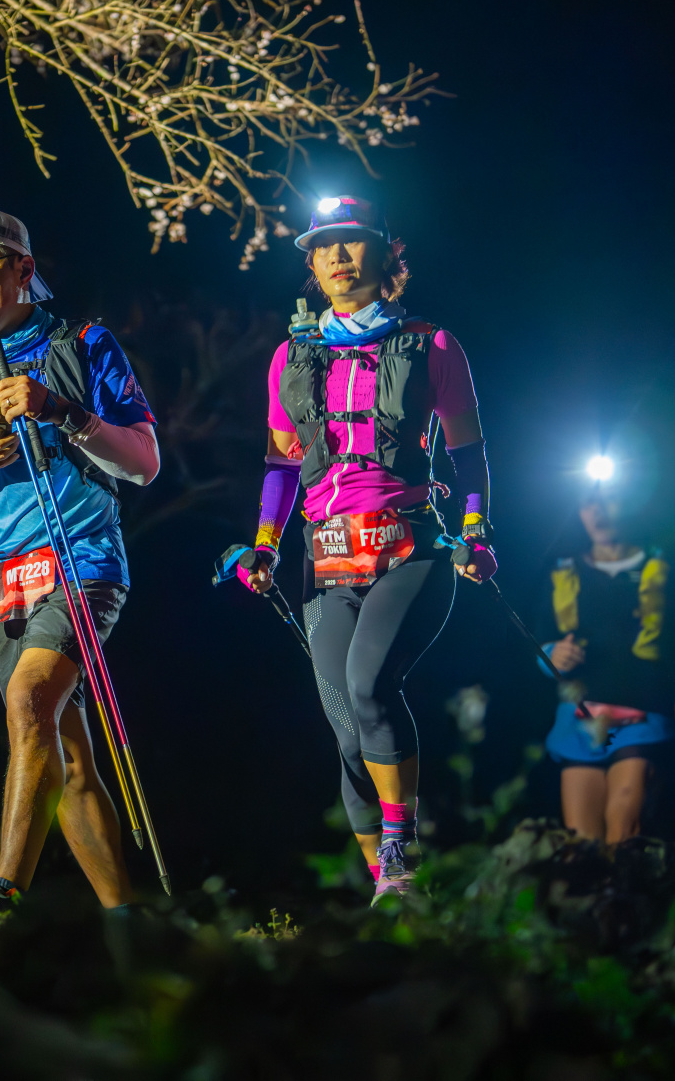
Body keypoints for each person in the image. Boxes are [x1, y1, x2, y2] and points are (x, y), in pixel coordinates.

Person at [0, 210, 160, 934]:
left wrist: (61, 410)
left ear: (22, 269)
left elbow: (144, 463)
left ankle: (0, 899)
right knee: (65, 756)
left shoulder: (82, 343)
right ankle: (130, 926)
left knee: (26, 702)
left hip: (80, 558)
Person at [238, 195, 496, 903]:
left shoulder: (432, 345)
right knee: (348, 731)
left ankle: (401, 855)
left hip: (407, 550)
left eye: (353, 242)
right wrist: (264, 545)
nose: (338, 256)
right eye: (324, 246)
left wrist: (476, 530)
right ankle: (390, 897)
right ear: (312, 265)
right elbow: (281, 465)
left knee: (370, 685)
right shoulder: (290, 356)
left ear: (386, 254)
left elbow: (470, 455)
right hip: (325, 562)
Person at [537, 489, 675, 844]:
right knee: (581, 843)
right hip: (580, 718)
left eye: (609, 498)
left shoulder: (666, 566)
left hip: (643, 715)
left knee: (624, 830)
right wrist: (550, 654)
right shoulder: (562, 570)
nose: (598, 511)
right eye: (588, 502)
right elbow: (536, 637)